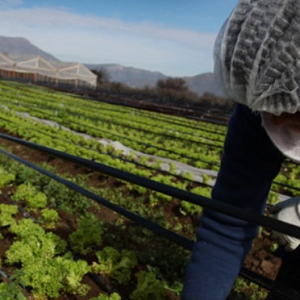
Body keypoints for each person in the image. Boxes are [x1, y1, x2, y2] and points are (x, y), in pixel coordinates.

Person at [181, 0, 300, 299]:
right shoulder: (264, 95)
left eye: (294, 113)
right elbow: (228, 223)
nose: (278, 119)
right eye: (274, 110)